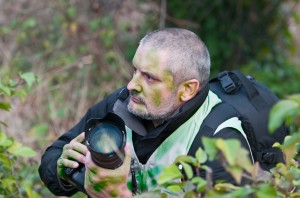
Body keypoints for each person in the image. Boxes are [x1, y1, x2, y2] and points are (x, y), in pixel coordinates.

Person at [39, 28, 252, 197]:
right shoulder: (121, 104)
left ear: (187, 89)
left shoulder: (221, 139)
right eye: (135, 70)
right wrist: (64, 171)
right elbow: (53, 155)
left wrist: (119, 196)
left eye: (150, 77)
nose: (132, 85)